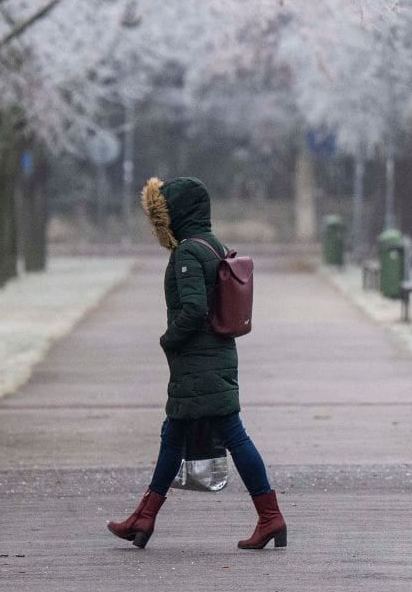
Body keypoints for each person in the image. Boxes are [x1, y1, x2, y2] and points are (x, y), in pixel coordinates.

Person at [105, 176, 287, 549]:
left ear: (178, 212)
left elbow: (193, 310)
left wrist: (168, 340)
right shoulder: (211, 244)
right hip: (213, 357)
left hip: (198, 362)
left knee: (232, 435)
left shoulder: (188, 252)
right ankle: (144, 518)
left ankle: (270, 517)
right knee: (174, 435)